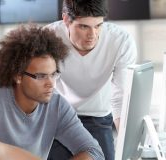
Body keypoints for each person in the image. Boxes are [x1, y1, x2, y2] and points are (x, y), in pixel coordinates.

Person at [0, 25, 104, 160]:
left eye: (53, 74)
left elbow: (93, 151)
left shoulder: (57, 106)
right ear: (18, 76)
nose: (51, 83)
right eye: (41, 76)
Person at [44, 0, 137, 159]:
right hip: (59, 116)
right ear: (66, 20)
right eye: (84, 26)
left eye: (98, 25)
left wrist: (128, 148)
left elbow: (120, 98)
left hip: (98, 118)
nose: (92, 35)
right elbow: (41, 92)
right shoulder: (48, 38)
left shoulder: (121, 41)